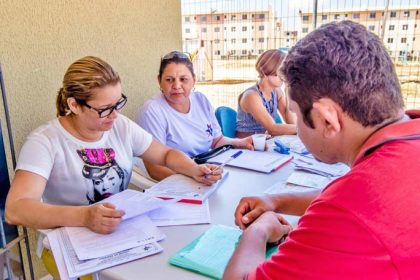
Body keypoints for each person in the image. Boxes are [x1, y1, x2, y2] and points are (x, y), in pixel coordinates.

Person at [224, 21, 420, 279]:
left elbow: (348, 206)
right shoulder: (406, 138)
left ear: (327, 119)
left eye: (294, 113)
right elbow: (346, 196)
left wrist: (258, 231)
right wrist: (276, 201)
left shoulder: (349, 213)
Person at [5, 56, 222, 235]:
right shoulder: (45, 141)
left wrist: (194, 169)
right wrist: (84, 216)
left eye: (118, 103)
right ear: (74, 105)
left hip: (121, 232)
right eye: (105, 109)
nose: (115, 114)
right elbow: (15, 209)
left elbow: (165, 154)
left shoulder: (120, 125)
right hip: (70, 239)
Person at [136, 51, 254, 181]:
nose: (176, 86)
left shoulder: (200, 100)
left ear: (194, 80)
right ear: (159, 81)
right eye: (169, 80)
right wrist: (193, 178)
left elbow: (217, 141)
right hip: (177, 181)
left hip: (203, 171)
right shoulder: (152, 110)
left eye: (183, 79)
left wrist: (241, 142)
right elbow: (155, 169)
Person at [236, 49, 297, 138]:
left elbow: (291, 121)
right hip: (247, 146)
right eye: (281, 72)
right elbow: (273, 129)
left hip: (266, 142)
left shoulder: (277, 92)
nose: (285, 76)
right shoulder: (251, 96)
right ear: (265, 72)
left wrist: (288, 91)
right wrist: (303, 129)